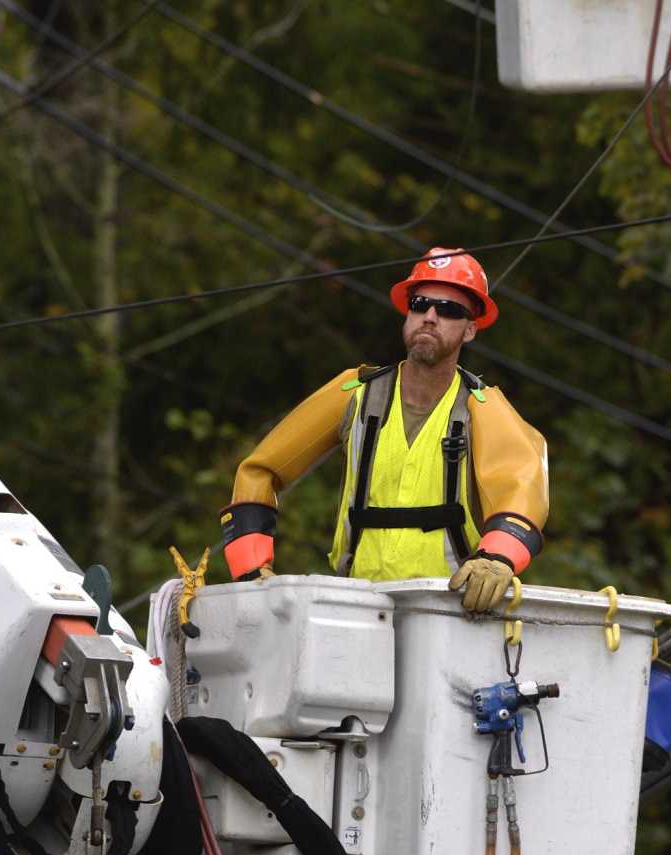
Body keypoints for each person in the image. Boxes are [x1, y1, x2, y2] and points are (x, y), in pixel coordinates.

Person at [218, 247, 548, 614]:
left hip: (450, 612)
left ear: (470, 329)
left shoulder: (483, 408)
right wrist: (250, 572)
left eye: (450, 309)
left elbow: (522, 490)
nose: (430, 317)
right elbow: (259, 470)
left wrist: (497, 558)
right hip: (357, 607)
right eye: (421, 304)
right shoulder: (355, 393)